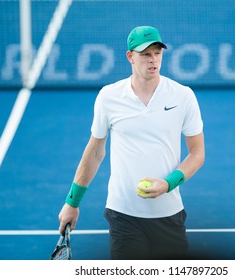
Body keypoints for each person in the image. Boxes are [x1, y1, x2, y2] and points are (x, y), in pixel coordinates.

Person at [58, 26, 205, 260]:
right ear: (130, 57)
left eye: (157, 53)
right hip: (123, 214)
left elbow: (197, 154)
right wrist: (72, 202)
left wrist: (168, 183)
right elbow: (95, 152)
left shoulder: (183, 96)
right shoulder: (109, 96)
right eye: (145, 54)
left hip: (169, 214)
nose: (153, 59)